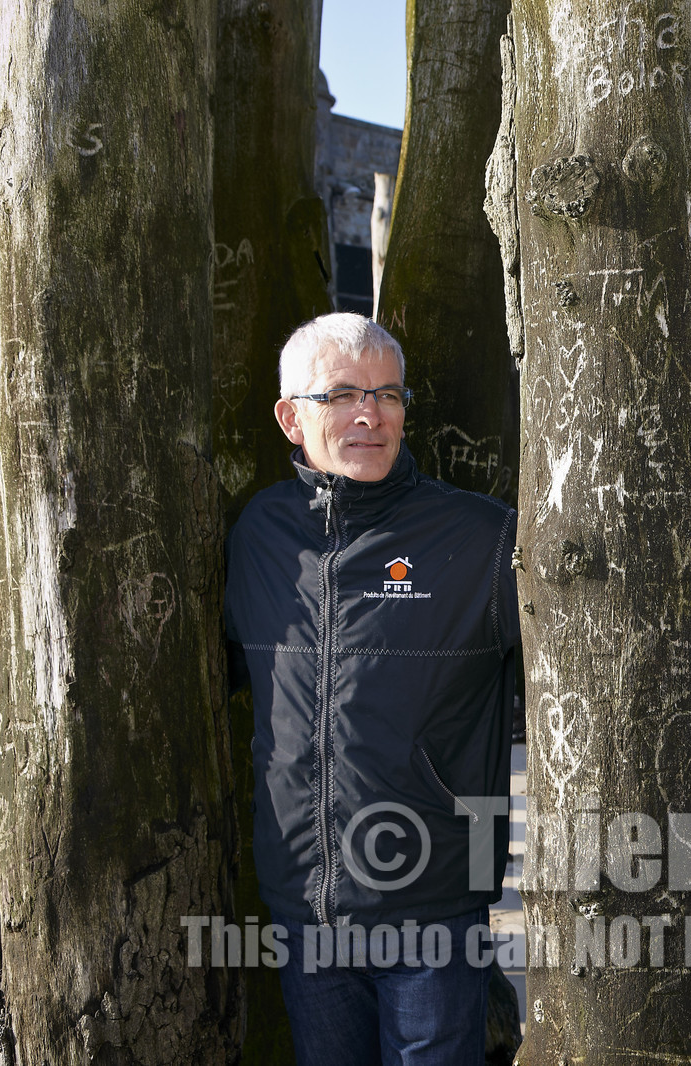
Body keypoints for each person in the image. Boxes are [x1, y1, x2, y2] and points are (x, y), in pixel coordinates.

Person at [225, 312, 519, 1065]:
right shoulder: (257, 533)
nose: (371, 414)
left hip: (433, 906)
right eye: (344, 394)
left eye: (389, 394)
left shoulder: (484, 540)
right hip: (301, 904)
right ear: (291, 417)